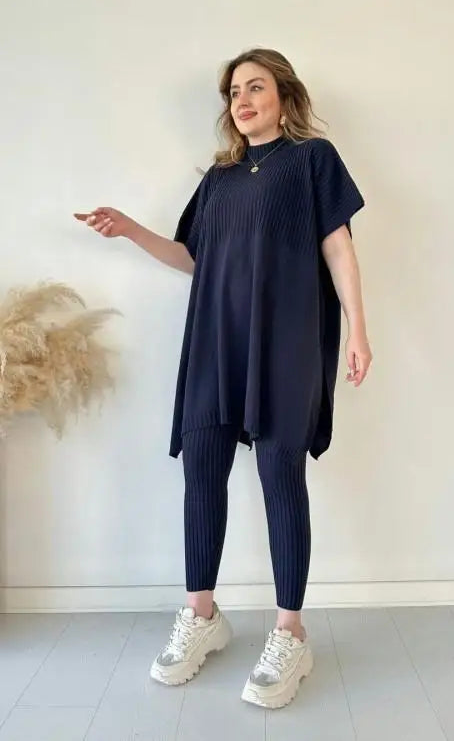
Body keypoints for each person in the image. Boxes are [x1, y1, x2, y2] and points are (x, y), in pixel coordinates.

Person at [75, 47, 372, 709]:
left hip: (286, 342)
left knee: (279, 474)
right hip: (216, 340)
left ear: (284, 97)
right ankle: (202, 615)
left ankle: (291, 632)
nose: (241, 100)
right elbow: (193, 257)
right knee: (201, 468)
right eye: (234, 92)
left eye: (255, 87)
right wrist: (130, 231)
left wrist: (358, 328)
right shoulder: (220, 179)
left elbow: (338, 247)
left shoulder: (312, 160)